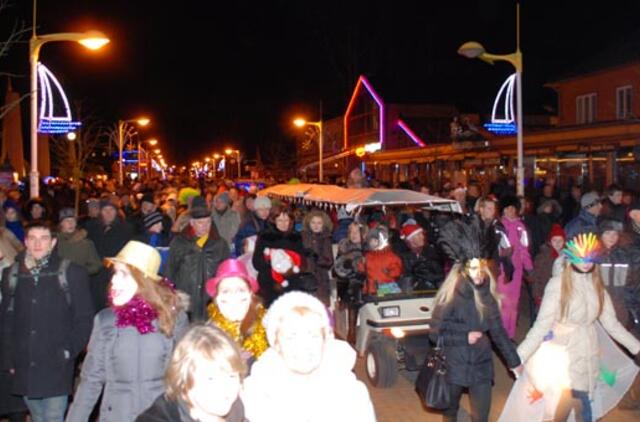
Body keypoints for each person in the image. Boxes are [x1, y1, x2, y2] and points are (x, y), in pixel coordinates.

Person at [515, 233, 640, 422]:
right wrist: (519, 356)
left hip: (588, 349)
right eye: (581, 258)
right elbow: (541, 325)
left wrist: (637, 347)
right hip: (563, 351)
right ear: (571, 258)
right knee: (580, 403)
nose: (586, 263)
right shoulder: (558, 284)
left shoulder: (597, 285)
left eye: (590, 258)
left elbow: (612, 324)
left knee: (571, 400)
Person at [66, 241, 189, 422]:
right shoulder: (106, 320)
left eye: (123, 274)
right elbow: (90, 381)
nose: (114, 281)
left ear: (143, 280)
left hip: (160, 416)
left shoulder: (174, 319)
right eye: (115, 273)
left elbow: (184, 377)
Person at [0, 221, 94, 422]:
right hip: (25, 362)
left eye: (43, 238)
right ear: (25, 242)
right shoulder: (12, 274)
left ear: (52, 243)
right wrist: (8, 359)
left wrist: (69, 351)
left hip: (56, 362)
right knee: (36, 416)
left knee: (53, 416)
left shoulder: (70, 272)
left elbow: (84, 318)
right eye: (32, 238)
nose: (37, 244)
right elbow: (6, 321)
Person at [434, 217, 522, 422]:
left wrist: (515, 363)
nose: (478, 273)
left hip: (481, 363)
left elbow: (498, 331)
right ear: (464, 269)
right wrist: (464, 336)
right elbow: (435, 333)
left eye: (481, 267)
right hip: (454, 363)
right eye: (473, 268)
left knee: (481, 416)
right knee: (450, 412)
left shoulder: (486, 294)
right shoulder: (450, 295)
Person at [241, 291, 376, 422]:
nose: (303, 346)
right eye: (291, 337)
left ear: (325, 341)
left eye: (312, 335)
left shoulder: (351, 393)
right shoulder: (255, 393)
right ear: (276, 344)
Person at [136, 324, 248, 422]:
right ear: (184, 380)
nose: (225, 388)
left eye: (232, 376)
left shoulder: (237, 413)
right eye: (211, 379)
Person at [166, 196, 229, 321]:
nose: (205, 226)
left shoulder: (220, 244)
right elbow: (170, 270)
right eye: (200, 223)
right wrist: (169, 295)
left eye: (208, 222)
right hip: (186, 300)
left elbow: (225, 273)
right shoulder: (179, 242)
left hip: (210, 301)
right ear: (192, 223)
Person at [206, 259, 268, 365]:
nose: (234, 296)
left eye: (240, 290)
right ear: (217, 299)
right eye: (226, 291)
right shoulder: (208, 339)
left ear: (250, 295)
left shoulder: (268, 328)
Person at [252, 207, 307, 306]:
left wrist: (292, 265)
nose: (283, 223)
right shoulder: (265, 236)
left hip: (291, 282)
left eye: (286, 220)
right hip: (270, 284)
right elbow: (256, 262)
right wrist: (270, 261)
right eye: (280, 220)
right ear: (274, 221)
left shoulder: (295, 237)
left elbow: (302, 261)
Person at [497, 195, 533, 339]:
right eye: (507, 208)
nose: (510, 211)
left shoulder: (520, 227)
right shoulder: (499, 226)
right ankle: (503, 335)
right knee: (504, 303)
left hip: (517, 271)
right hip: (503, 270)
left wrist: (529, 268)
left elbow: (524, 249)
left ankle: (510, 335)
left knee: (514, 302)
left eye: (513, 208)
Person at [396, 222, 444, 290]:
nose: (422, 237)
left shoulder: (432, 252)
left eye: (422, 234)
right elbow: (403, 280)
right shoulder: (402, 256)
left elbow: (439, 274)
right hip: (412, 293)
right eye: (418, 235)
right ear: (410, 239)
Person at [358, 225, 403, 296]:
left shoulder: (391, 256)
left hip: (387, 286)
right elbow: (361, 270)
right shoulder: (367, 256)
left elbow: (397, 269)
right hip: (372, 289)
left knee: (394, 292)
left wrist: (390, 272)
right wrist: (362, 264)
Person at [56, 208, 102, 277]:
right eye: (67, 221)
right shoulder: (53, 242)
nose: (70, 223)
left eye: (73, 220)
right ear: (61, 223)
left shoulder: (86, 243)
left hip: (78, 283)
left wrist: (80, 271)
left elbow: (96, 265)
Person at [301, 209, 334, 305]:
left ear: (324, 224)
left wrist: (316, 256)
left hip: (321, 279)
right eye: (313, 222)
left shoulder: (326, 238)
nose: (316, 226)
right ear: (308, 223)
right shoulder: (303, 237)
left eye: (319, 223)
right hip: (305, 278)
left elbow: (329, 261)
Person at [530, 224, 565, 312]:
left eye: (560, 240)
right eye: (554, 240)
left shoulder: (567, 256)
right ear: (550, 241)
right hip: (545, 293)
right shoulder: (543, 256)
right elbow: (536, 276)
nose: (557, 243)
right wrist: (537, 295)